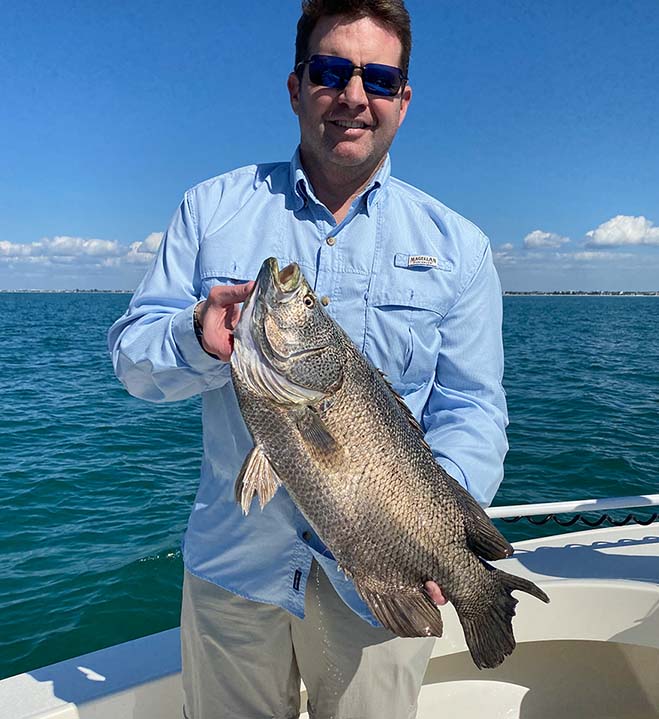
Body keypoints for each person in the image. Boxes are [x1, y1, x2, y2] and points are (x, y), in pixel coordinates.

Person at [108, 1, 508, 717]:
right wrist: (198, 335)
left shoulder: (461, 246)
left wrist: (439, 536)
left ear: (402, 101)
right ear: (295, 86)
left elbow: (471, 409)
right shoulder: (209, 209)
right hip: (233, 575)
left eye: (379, 79)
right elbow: (134, 365)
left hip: (380, 584)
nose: (354, 96)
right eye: (330, 71)